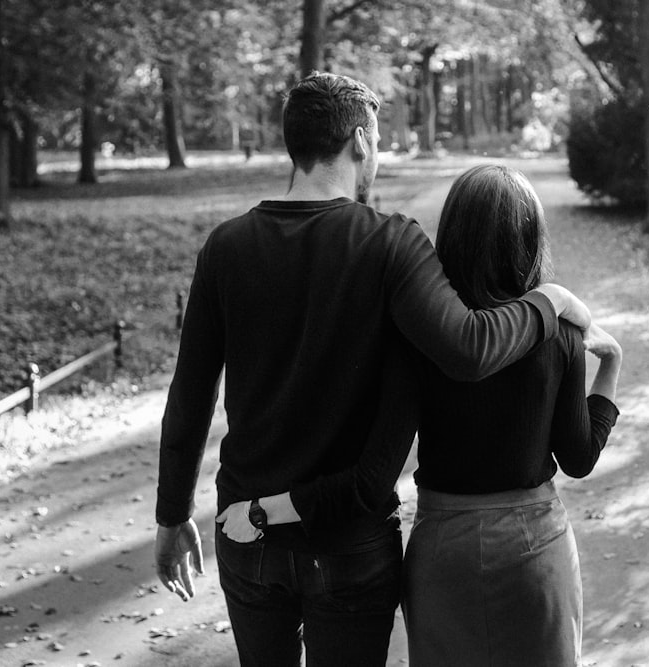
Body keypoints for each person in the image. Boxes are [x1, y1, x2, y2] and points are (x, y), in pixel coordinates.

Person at [153, 72, 592, 667]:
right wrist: (551, 302)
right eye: (379, 144)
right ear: (360, 141)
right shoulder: (390, 243)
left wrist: (173, 515)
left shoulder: (225, 247)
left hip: (247, 533)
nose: (378, 158)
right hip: (350, 545)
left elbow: (190, 394)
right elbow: (468, 347)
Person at [220, 164, 623, 666]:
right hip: (533, 547)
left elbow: (376, 464)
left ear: (451, 234)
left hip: (442, 550)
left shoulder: (419, 337)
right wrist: (610, 367)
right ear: (530, 239)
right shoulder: (557, 335)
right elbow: (579, 458)